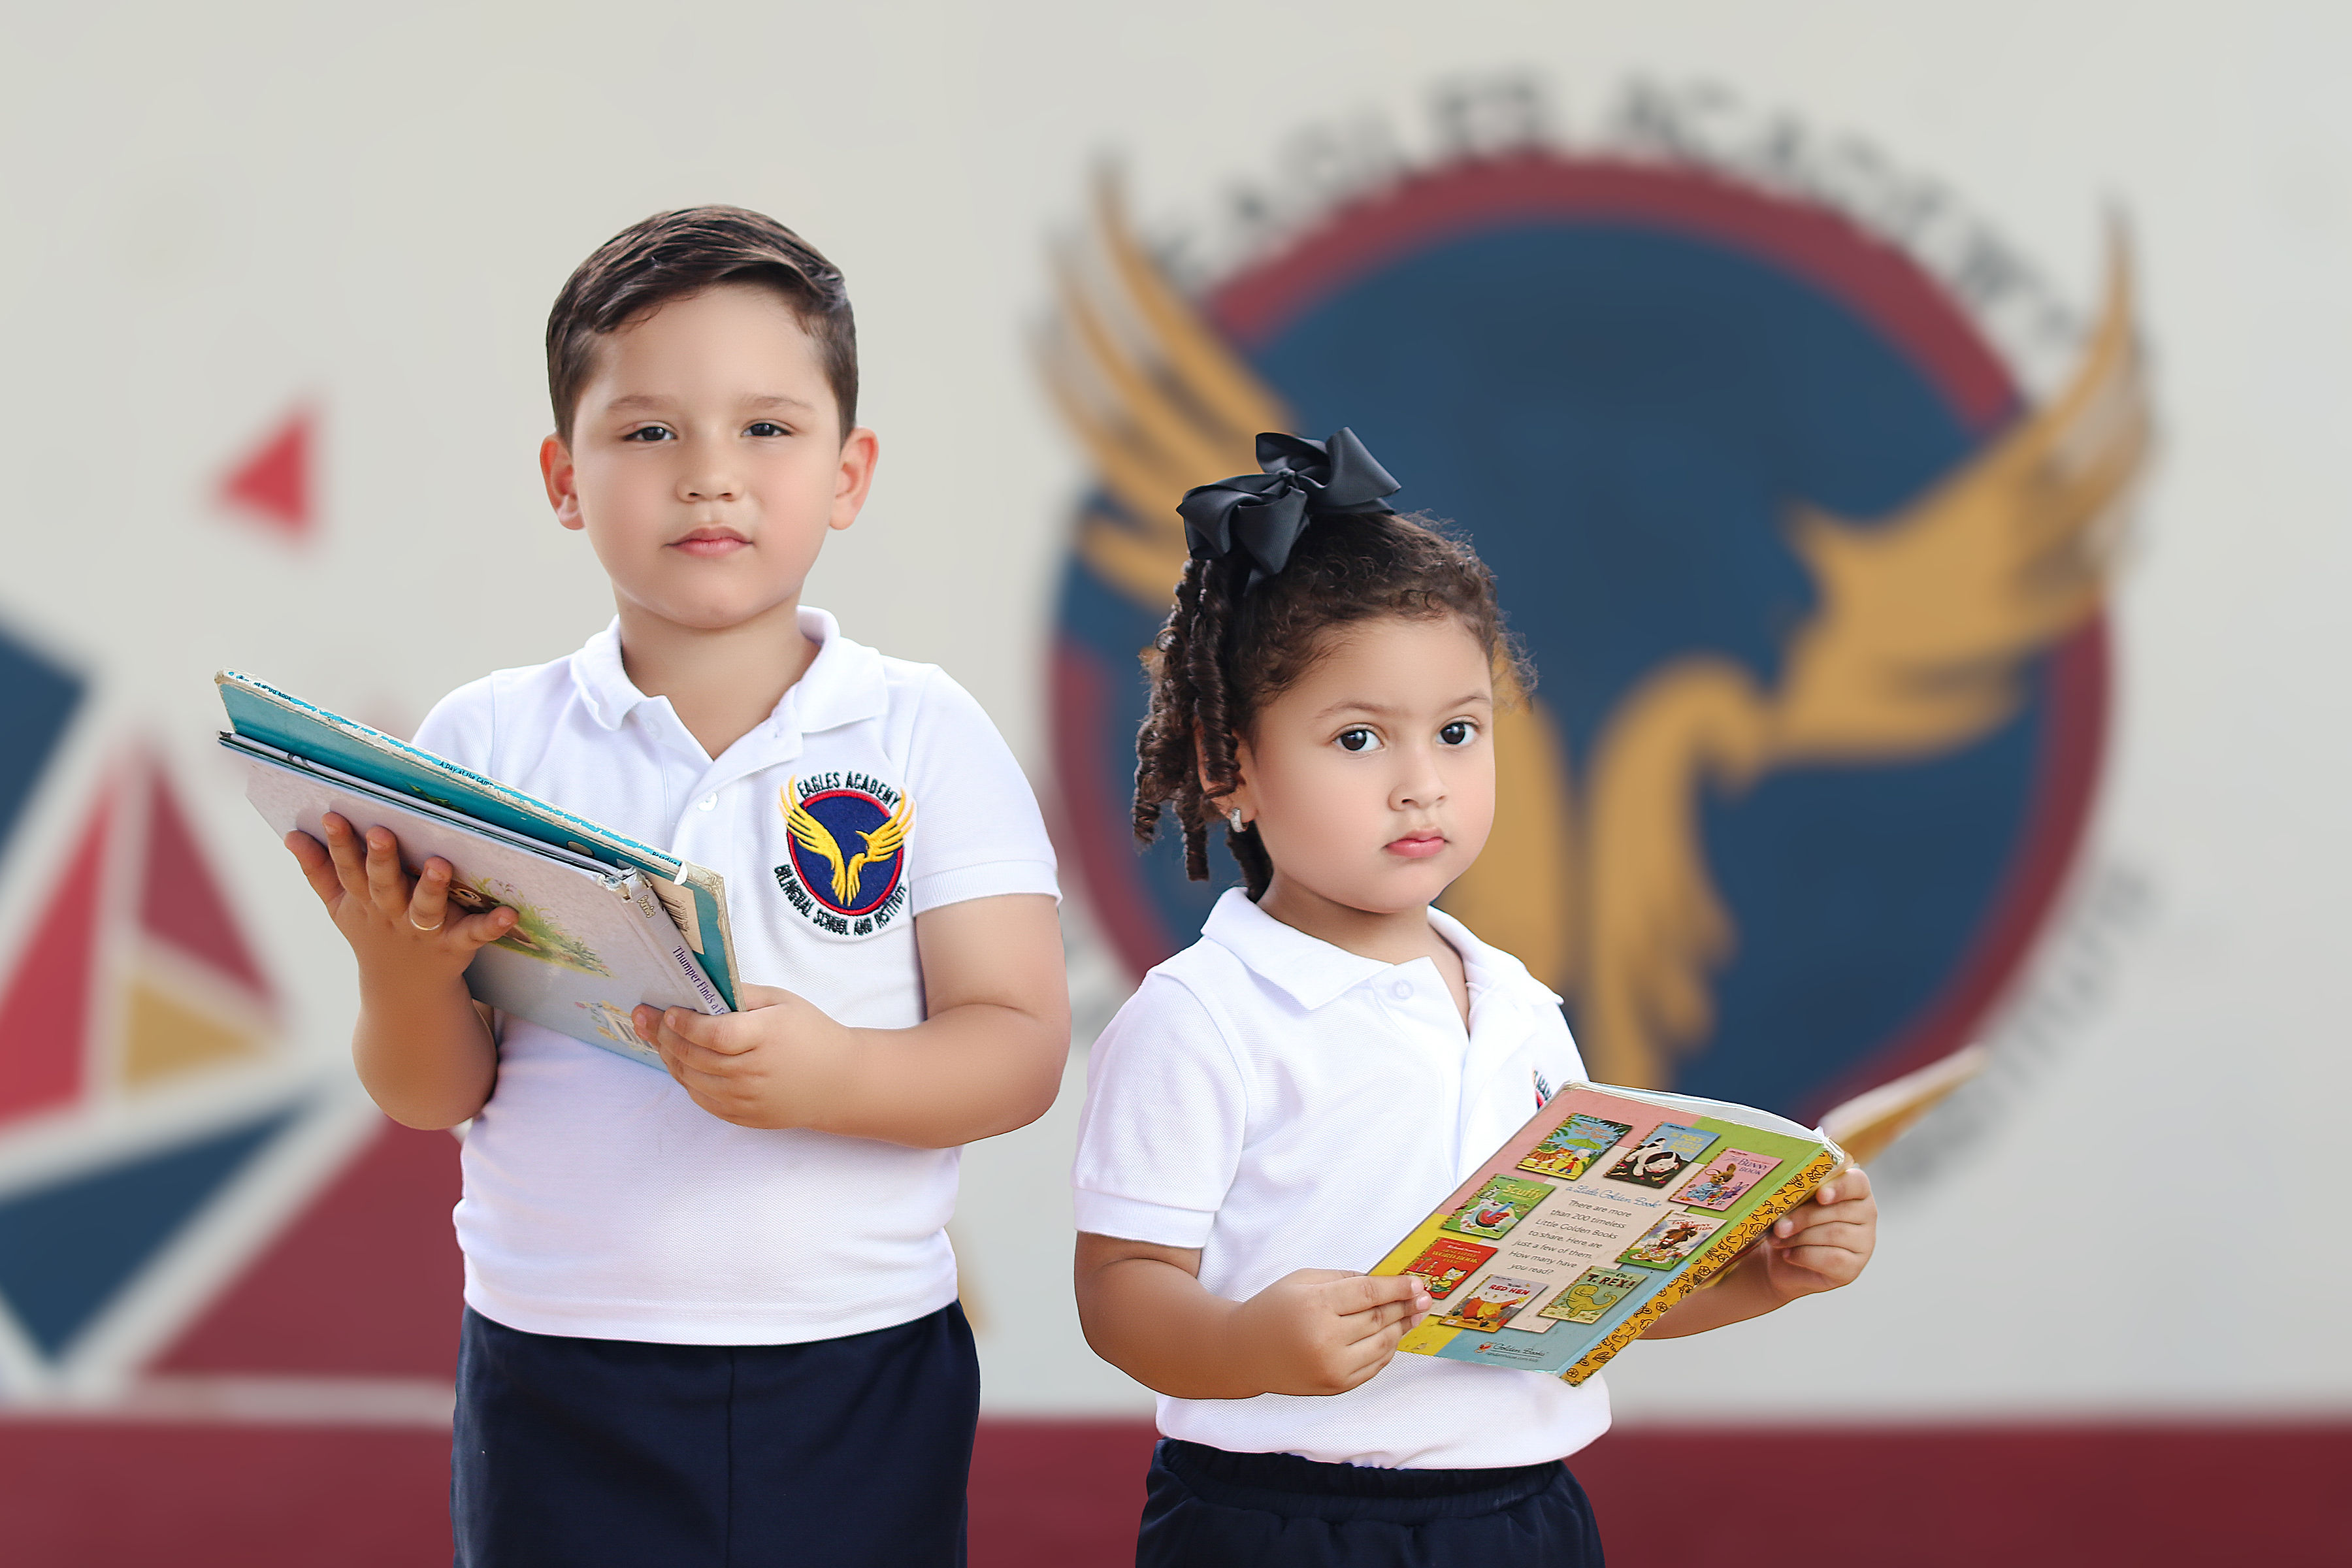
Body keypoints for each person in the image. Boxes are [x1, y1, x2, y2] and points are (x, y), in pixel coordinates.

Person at [282, 206, 1068, 1565]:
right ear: (563, 476)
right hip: (556, 1363)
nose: (711, 476)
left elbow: (1020, 1050)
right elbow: (432, 1094)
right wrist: (398, 970)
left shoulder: (923, 731)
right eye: (649, 432)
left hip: (856, 1358)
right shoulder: (486, 745)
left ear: (850, 471)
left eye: (768, 429)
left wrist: (838, 1081)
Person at [1070, 430, 1878, 1566]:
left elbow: (1567, 1298)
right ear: (1226, 766)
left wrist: (1761, 1276)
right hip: (1277, 1521)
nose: (1422, 783)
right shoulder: (1204, 1016)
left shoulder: (1518, 1007)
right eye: (1358, 738)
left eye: (1458, 731)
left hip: (1521, 1518)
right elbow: (1119, 1292)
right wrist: (1252, 1344)